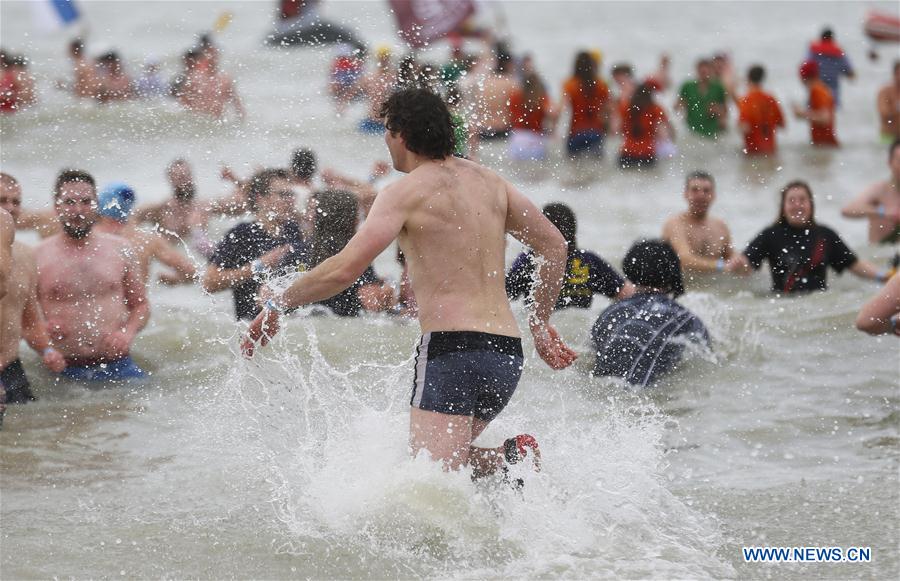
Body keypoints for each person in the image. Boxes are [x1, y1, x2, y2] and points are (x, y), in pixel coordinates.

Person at [242, 88, 576, 477]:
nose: (385, 140)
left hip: (453, 349)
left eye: (386, 130)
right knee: (449, 474)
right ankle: (509, 468)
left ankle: (509, 460)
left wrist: (278, 302)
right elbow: (554, 245)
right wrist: (539, 321)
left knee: (429, 475)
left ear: (401, 134)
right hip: (505, 353)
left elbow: (343, 269)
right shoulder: (491, 182)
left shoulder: (402, 193)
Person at [36, 170, 149, 381]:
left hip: (120, 365)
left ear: (97, 205)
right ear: (56, 207)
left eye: (86, 202)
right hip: (64, 369)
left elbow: (140, 306)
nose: (78, 210)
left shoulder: (121, 249)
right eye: (69, 202)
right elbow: (23, 318)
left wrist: (127, 333)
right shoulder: (38, 256)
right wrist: (44, 339)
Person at [726, 181, 889, 293]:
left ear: (811, 205)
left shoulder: (825, 235)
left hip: (818, 304)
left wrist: (885, 276)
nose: (797, 205)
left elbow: (855, 265)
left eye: (802, 200)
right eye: (791, 201)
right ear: (783, 207)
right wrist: (738, 264)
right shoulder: (770, 235)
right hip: (782, 304)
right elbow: (746, 267)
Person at [591, 239, 710, 388]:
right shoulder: (685, 318)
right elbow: (706, 360)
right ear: (673, 272)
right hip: (644, 397)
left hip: (600, 390)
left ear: (628, 269)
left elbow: (592, 358)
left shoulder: (608, 313)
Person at [202, 169, 307, 320]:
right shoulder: (241, 234)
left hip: (291, 325)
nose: (290, 200)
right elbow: (209, 283)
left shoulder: (293, 230)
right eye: (282, 195)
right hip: (250, 326)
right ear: (261, 199)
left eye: (291, 194)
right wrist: (259, 265)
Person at [0, 176, 67, 404]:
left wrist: (47, 351)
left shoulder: (27, 255)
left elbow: (29, 320)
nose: (10, 208)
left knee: (30, 433)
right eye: (2, 200)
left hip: (9, 366)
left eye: (16, 202)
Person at [507, 202, 633, 308]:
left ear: (541, 231)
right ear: (574, 233)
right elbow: (627, 294)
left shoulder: (528, 261)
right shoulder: (590, 261)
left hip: (539, 326)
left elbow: (502, 298)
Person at [303, 190, 395, 316]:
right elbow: (372, 303)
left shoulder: (299, 250)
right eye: (359, 214)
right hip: (344, 323)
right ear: (351, 220)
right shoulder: (355, 254)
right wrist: (388, 289)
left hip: (308, 319)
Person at [95, 183, 197, 285]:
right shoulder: (146, 240)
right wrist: (174, 279)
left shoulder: (87, 238)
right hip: (136, 300)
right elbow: (191, 272)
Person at [133, 159, 214, 257]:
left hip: (197, 260)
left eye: (187, 175)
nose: (186, 181)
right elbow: (129, 221)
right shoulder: (160, 209)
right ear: (171, 180)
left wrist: (235, 179)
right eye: (180, 177)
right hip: (168, 262)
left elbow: (237, 207)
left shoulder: (204, 207)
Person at [662, 171, 733, 276]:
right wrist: (720, 265)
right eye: (695, 190)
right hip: (684, 287)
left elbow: (730, 257)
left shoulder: (720, 226)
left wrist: (741, 262)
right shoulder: (674, 224)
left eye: (706, 191)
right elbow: (685, 260)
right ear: (685, 194)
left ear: (713, 195)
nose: (701, 195)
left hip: (712, 286)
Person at [841, 139, 900, 244]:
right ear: (890, 162)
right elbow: (848, 210)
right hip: (881, 254)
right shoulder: (880, 190)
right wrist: (882, 212)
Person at [560, 51, 610, 158]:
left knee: (573, 168)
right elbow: (607, 111)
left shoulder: (569, 84)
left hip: (576, 132)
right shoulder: (601, 85)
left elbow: (563, 109)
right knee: (596, 168)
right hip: (595, 132)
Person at [618, 83, 673, 168]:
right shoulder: (656, 109)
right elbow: (664, 134)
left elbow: (616, 129)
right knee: (648, 179)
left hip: (627, 153)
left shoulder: (625, 107)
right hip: (647, 154)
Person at [736, 65, 785, 156]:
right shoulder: (771, 99)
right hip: (771, 152)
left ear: (748, 78)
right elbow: (782, 125)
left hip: (753, 154)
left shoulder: (746, 100)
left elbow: (744, 127)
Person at [507, 72, 556, 161]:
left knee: (516, 172)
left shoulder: (515, 96)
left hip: (518, 138)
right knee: (538, 172)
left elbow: (509, 117)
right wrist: (552, 130)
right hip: (535, 140)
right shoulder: (541, 98)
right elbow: (552, 113)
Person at [675, 58, 727, 139]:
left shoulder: (718, 87)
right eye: (701, 71)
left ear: (711, 71)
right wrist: (681, 106)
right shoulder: (687, 86)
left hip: (711, 131)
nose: (703, 74)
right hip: (691, 130)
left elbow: (725, 110)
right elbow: (677, 106)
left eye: (706, 71)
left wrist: (717, 110)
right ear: (696, 70)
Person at [793, 60, 838, 147]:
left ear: (804, 77)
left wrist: (802, 114)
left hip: (825, 144)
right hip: (827, 144)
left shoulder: (816, 90)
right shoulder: (822, 88)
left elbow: (825, 118)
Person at [806, 28, 854, 107]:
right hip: (833, 95)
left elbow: (806, 68)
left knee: (814, 114)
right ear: (833, 39)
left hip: (815, 94)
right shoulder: (839, 54)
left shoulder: (813, 52)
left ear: (821, 38)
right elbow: (850, 74)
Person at [877, 60, 900, 142]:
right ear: (894, 74)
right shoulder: (885, 92)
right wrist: (896, 108)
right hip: (888, 136)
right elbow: (884, 113)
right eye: (898, 73)